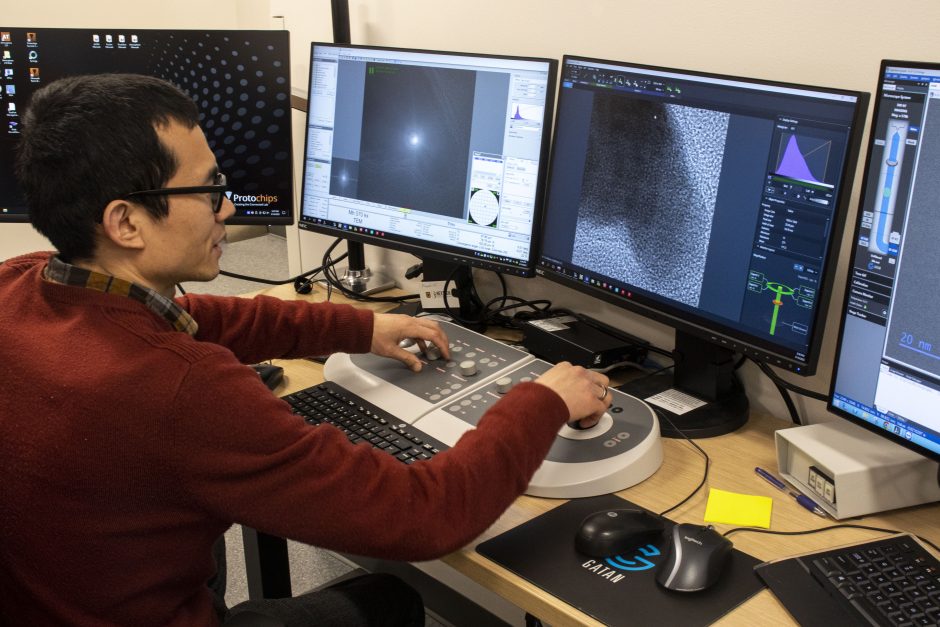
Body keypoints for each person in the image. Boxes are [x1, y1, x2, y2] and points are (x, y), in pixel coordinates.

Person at [0, 74, 612, 626]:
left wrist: (353, 327)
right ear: (126, 222)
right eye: (209, 190)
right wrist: (541, 400)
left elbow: (192, 319)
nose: (229, 207)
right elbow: (426, 515)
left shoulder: (21, 281)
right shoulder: (184, 391)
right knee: (391, 600)